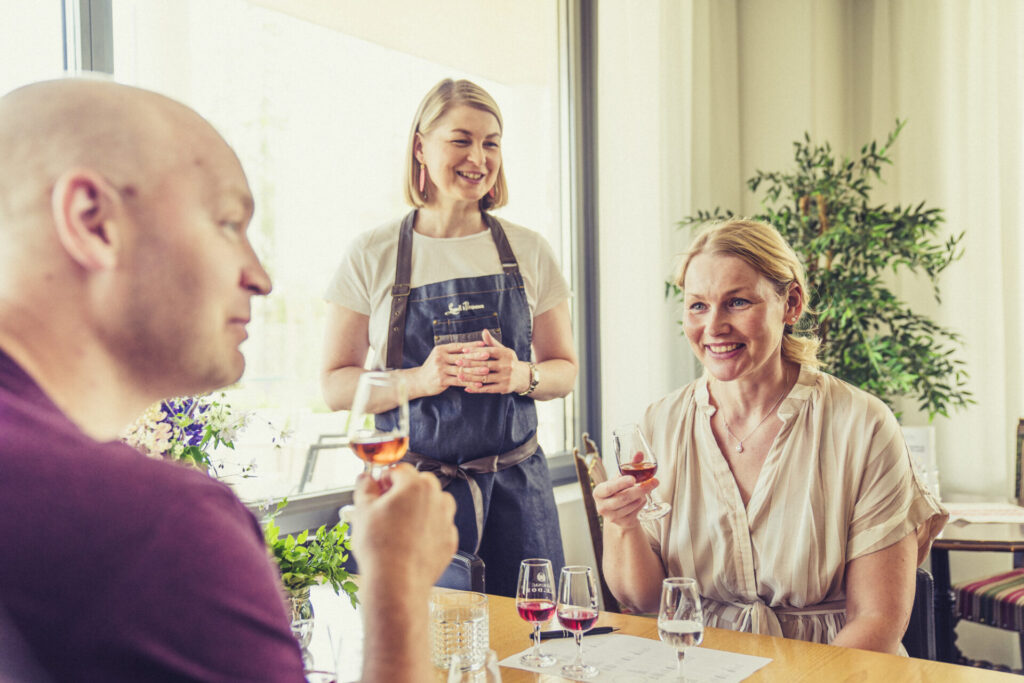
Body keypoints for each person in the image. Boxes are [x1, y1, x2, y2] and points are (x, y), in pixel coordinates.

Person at [0, 77, 457, 682]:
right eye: (227, 222)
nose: (260, 276)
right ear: (93, 220)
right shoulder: (162, 527)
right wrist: (397, 587)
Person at [594, 219, 947, 654]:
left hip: (835, 671)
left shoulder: (863, 425)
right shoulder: (658, 425)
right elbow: (641, 599)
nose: (714, 326)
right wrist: (623, 524)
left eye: (737, 302)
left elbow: (878, 622)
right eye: (698, 306)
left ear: (792, 303)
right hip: (697, 664)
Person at [321, 78, 578, 597]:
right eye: (460, 140)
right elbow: (334, 386)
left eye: (491, 142)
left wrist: (521, 374)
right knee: (425, 659)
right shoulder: (370, 253)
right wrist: (418, 379)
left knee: (532, 655)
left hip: (516, 491)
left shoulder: (529, 250)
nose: (478, 158)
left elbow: (563, 371)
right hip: (414, 492)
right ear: (420, 145)